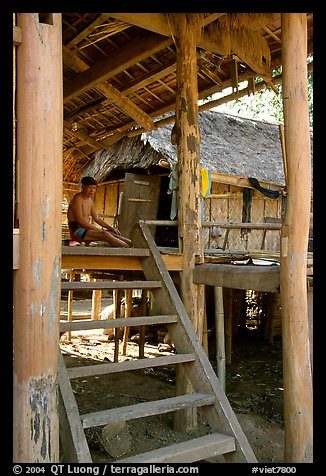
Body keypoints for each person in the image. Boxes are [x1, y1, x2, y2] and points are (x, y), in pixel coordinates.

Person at [67, 176, 132, 248]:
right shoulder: (77, 199)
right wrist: (98, 230)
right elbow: (79, 220)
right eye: (89, 188)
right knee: (105, 234)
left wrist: (111, 228)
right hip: (77, 231)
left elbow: (97, 218)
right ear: (83, 187)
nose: (92, 190)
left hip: (86, 230)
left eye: (94, 188)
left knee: (111, 233)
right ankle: (128, 249)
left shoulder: (89, 201)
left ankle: (131, 244)